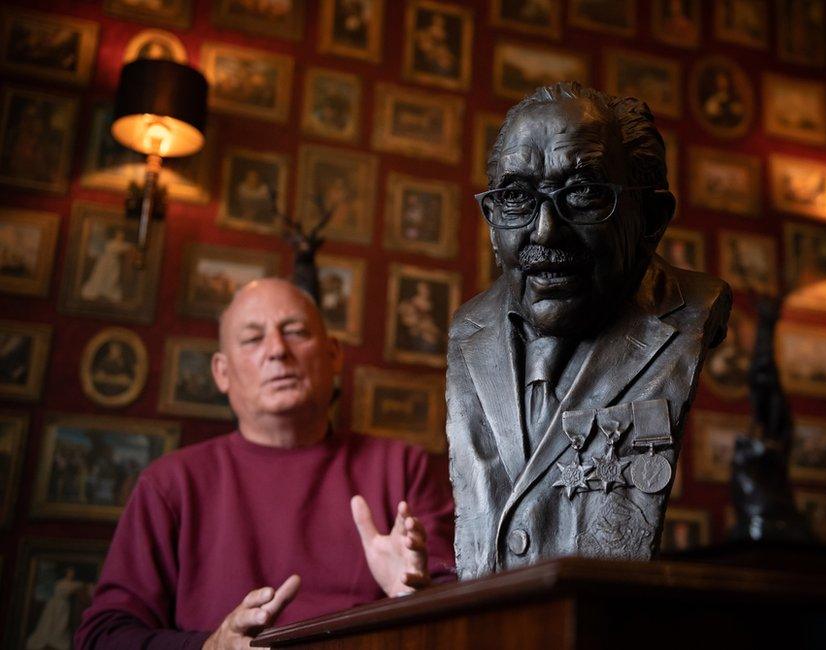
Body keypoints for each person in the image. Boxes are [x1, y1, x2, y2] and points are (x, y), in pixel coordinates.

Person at [448, 83, 730, 578]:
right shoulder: (467, 331)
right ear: (491, 221)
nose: (544, 231)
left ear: (651, 218)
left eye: (583, 194)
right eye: (515, 197)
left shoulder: (688, 312)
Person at [76, 278, 455, 648]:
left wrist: (413, 594)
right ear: (221, 373)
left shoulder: (403, 468)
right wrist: (212, 646)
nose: (276, 350)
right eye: (253, 338)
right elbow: (102, 636)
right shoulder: (170, 484)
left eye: (294, 331)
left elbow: (464, 614)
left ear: (333, 354)